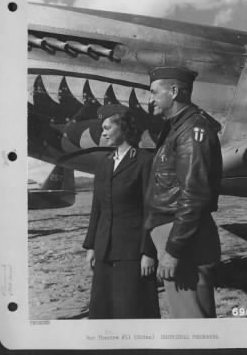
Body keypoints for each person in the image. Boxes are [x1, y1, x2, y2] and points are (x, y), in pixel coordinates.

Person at [144, 66, 222, 318]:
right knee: (188, 316)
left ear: (174, 91)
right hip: (176, 233)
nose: (150, 99)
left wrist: (174, 250)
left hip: (183, 238)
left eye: (155, 92)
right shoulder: (176, 128)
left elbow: (194, 195)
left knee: (191, 321)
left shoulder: (192, 131)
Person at [83, 104, 160, 319]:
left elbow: (151, 209)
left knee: (132, 310)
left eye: (107, 127)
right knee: (103, 311)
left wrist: (149, 252)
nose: (103, 132)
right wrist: (91, 246)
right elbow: (96, 208)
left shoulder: (145, 161)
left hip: (133, 253)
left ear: (123, 128)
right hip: (104, 250)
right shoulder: (104, 163)